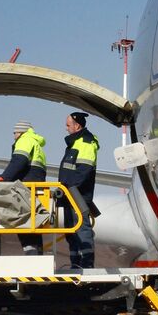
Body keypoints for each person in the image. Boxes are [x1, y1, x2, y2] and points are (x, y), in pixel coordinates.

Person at [0, 120, 47, 254]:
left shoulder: (25, 140)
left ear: (20, 132)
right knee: (32, 222)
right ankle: (36, 252)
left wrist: (4, 177)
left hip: (25, 186)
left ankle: (31, 253)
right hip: (33, 184)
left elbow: (19, 161)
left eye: (14, 133)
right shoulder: (35, 142)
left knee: (22, 220)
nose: (14, 135)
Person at [58, 111, 99, 269]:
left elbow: (84, 170)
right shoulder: (74, 143)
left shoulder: (86, 142)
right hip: (69, 194)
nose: (66, 128)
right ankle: (75, 263)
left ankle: (87, 263)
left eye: (68, 125)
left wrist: (69, 188)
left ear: (77, 126)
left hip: (78, 194)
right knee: (71, 231)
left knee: (82, 229)